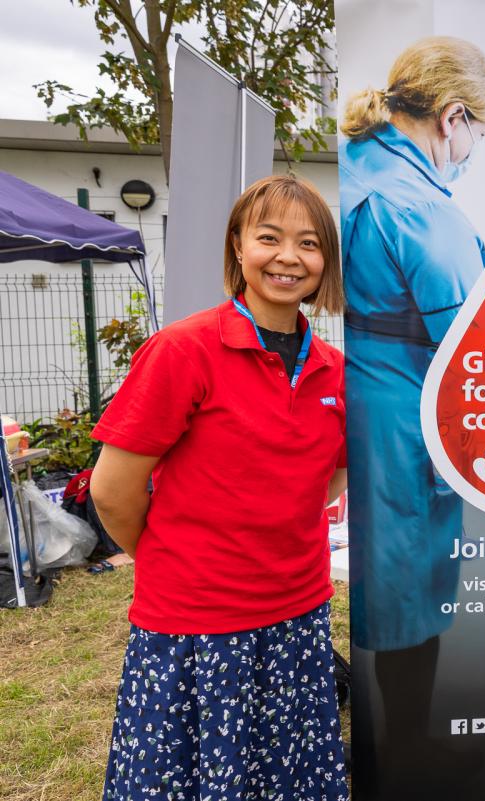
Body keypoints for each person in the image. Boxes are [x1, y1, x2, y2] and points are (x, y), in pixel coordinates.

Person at [89, 174, 348, 801]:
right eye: (269, 238)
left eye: (309, 244)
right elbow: (112, 492)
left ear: (325, 264)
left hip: (296, 615)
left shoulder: (335, 369)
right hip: (195, 625)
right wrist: (173, 558)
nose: (289, 257)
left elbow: (328, 482)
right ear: (238, 247)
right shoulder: (183, 351)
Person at [337, 35, 485, 794]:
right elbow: (474, 341)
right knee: (409, 591)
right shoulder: (417, 207)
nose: (474, 150)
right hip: (407, 412)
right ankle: (408, 758)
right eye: (479, 134)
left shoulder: (361, 167)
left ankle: (397, 746)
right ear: (453, 116)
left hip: (379, 394)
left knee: (396, 583)